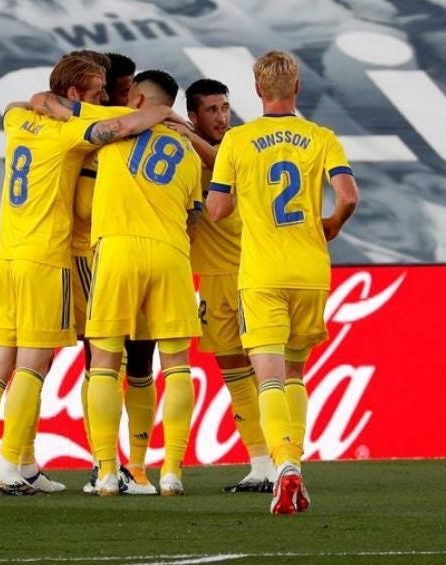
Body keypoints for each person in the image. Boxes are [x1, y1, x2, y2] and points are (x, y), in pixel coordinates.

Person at [0, 56, 179, 495]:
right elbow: (117, 129)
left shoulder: (18, 119)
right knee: (34, 365)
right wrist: (156, 111)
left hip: (6, 258)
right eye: (98, 90)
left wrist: (44, 100)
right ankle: (11, 465)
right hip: (50, 257)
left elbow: (16, 104)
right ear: (76, 95)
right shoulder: (69, 135)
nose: (105, 98)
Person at [207, 50, 359, 515]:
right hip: (311, 270)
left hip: (263, 273)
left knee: (267, 376)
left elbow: (217, 210)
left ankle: (285, 467)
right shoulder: (321, 137)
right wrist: (331, 224)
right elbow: (349, 195)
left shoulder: (238, 140)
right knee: (295, 372)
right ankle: (295, 466)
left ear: (257, 92)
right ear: (297, 89)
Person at [79, 70, 203, 496]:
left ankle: (108, 471)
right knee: (176, 364)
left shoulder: (116, 132)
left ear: (137, 100)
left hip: (118, 249)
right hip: (171, 253)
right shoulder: (188, 152)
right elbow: (195, 215)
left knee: (105, 362)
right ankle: (169, 469)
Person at [177, 77, 277, 492]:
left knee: (267, 372)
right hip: (216, 279)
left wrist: (183, 133)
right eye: (212, 110)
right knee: (236, 373)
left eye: (225, 107)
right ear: (194, 115)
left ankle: (282, 459)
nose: (222, 116)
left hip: (252, 274)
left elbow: (219, 159)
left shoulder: (237, 145)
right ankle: (263, 464)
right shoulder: (183, 151)